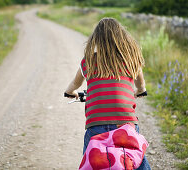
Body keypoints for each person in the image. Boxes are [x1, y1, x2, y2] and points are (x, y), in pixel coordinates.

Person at [64, 17, 151, 170]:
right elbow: (141, 84)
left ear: (96, 39)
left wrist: (70, 92)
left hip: (96, 125)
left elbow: (75, 84)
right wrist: (140, 91)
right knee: (137, 161)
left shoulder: (88, 62)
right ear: (122, 37)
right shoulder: (130, 59)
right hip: (126, 124)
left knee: (91, 162)